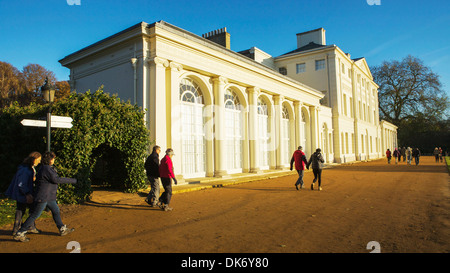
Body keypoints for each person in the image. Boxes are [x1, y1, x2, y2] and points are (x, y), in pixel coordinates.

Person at [13, 151, 77, 242]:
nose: (54, 160)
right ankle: (20, 232)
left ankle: (62, 228)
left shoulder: (46, 168)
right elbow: (56, 179)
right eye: (53, 158)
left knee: (56, 211)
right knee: (35, 215)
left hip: (48, 197)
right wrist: (73, 180)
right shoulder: (46, 169)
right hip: (44, 197)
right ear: (50, 160)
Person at [5, 152, 42, 235]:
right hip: (23, 193)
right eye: (38, 160)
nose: (39, 162)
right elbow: (21, 183)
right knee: (23, 210)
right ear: (34, 159)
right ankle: (19, 228)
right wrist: (28, 194)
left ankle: (25, 227)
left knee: (25, 209)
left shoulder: (27, 168)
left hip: (23, 192)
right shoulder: (25, 169)